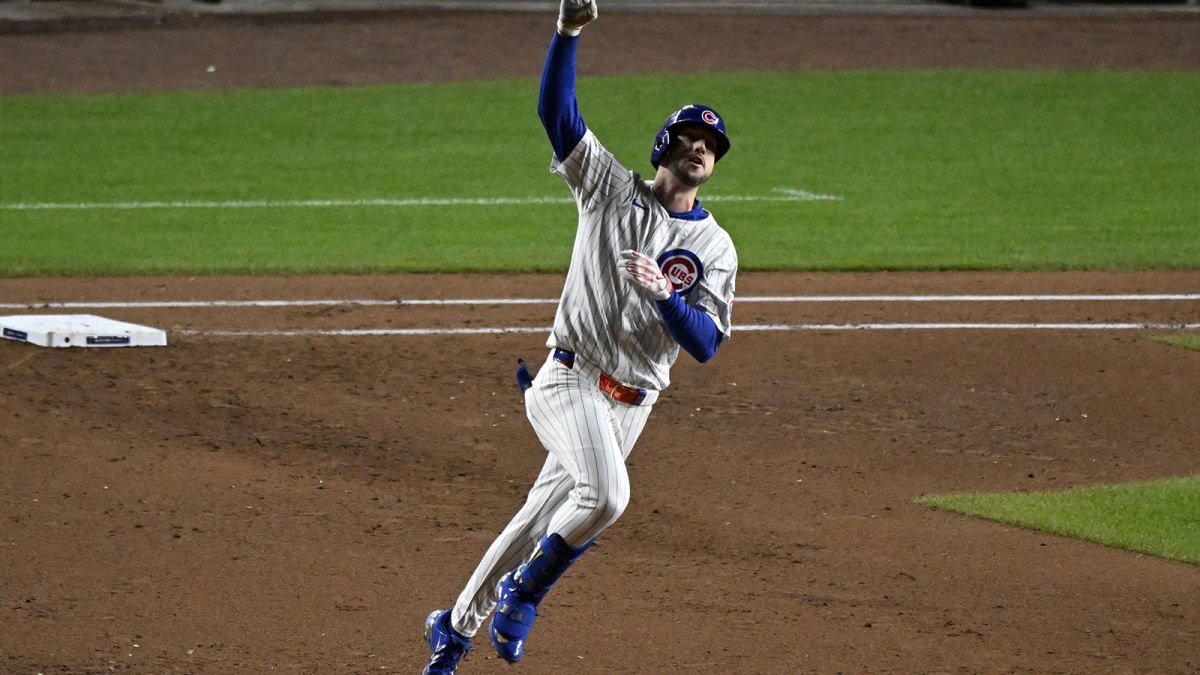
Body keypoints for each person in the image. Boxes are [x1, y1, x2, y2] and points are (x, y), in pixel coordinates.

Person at [422, 0, 737, 672]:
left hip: (632, 406)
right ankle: (523, 592)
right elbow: (556, 116)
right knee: (609, 496)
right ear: (663, 147)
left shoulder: (715, 245)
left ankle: (452, 629)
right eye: (687, 138)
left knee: (537, 521)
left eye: (709, 146)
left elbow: (706, 343)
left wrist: (666, 296)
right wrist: (568, 32)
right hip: (569, 379)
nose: (699, 148)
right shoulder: (607, 187)